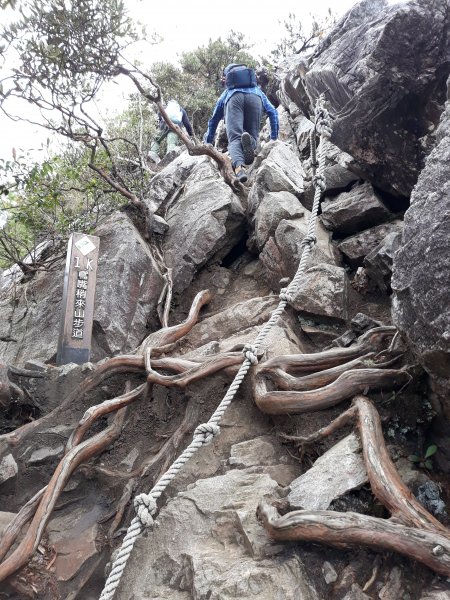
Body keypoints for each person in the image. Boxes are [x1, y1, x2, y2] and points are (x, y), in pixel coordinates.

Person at [204, 64, 279, 183]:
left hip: (234, 99)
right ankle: (249, 141)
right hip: (255, 99)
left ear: (228, 78)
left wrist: (208, 141)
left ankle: (239, 169)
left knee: (234, 139)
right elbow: (272, 112)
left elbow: (214, 120)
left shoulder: (227, 92)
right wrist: (274, 137)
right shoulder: (258, 90)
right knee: (253, 137)